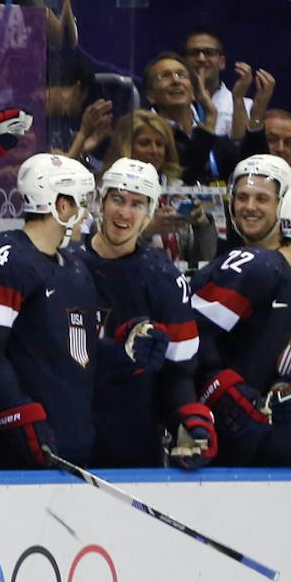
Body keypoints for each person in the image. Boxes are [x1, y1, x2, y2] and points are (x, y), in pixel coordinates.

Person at [190, 184, 291, 466]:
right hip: (214, 448)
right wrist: (222, 392)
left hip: (273, 455)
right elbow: (189, 333)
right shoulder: (256, 269)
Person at [0, 153, 103, 469]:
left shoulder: (76, 266)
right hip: (13, 453)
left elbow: (75, 352)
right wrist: (19, 416)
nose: (87, 213)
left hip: (71, 443)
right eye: (82, 202)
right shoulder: (3, 259)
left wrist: (126, 351)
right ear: (61, 206)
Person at [82, 158, 213, 469]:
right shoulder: (62, 264)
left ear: (150, 213)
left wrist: (187, 420)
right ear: (100, 202)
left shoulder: (165, 280)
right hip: (65, 439)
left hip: (133, 446)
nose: (124, 212)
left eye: (136, 204)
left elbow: (179, 372)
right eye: (117, 199)